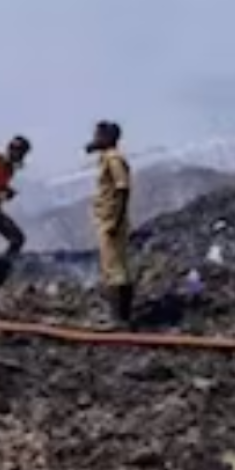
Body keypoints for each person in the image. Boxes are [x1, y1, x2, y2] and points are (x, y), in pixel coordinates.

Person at [87, 120, 134, 325]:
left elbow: (123, 189)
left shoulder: (114, 159)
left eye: (99, 136)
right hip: (107, 219)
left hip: (111, 220)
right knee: (112, 267)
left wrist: (116, 219)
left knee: (115, 269)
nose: (95, 139)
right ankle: (119, 316)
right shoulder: (106, 158)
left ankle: (119, 318)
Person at [0, 135, 31, 287]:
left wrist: (5, 190)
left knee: (17, 238)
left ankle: (0, 274)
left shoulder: (9, 167)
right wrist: (1, 193)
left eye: (22, 152)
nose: (19, 155)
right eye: (18, 151)